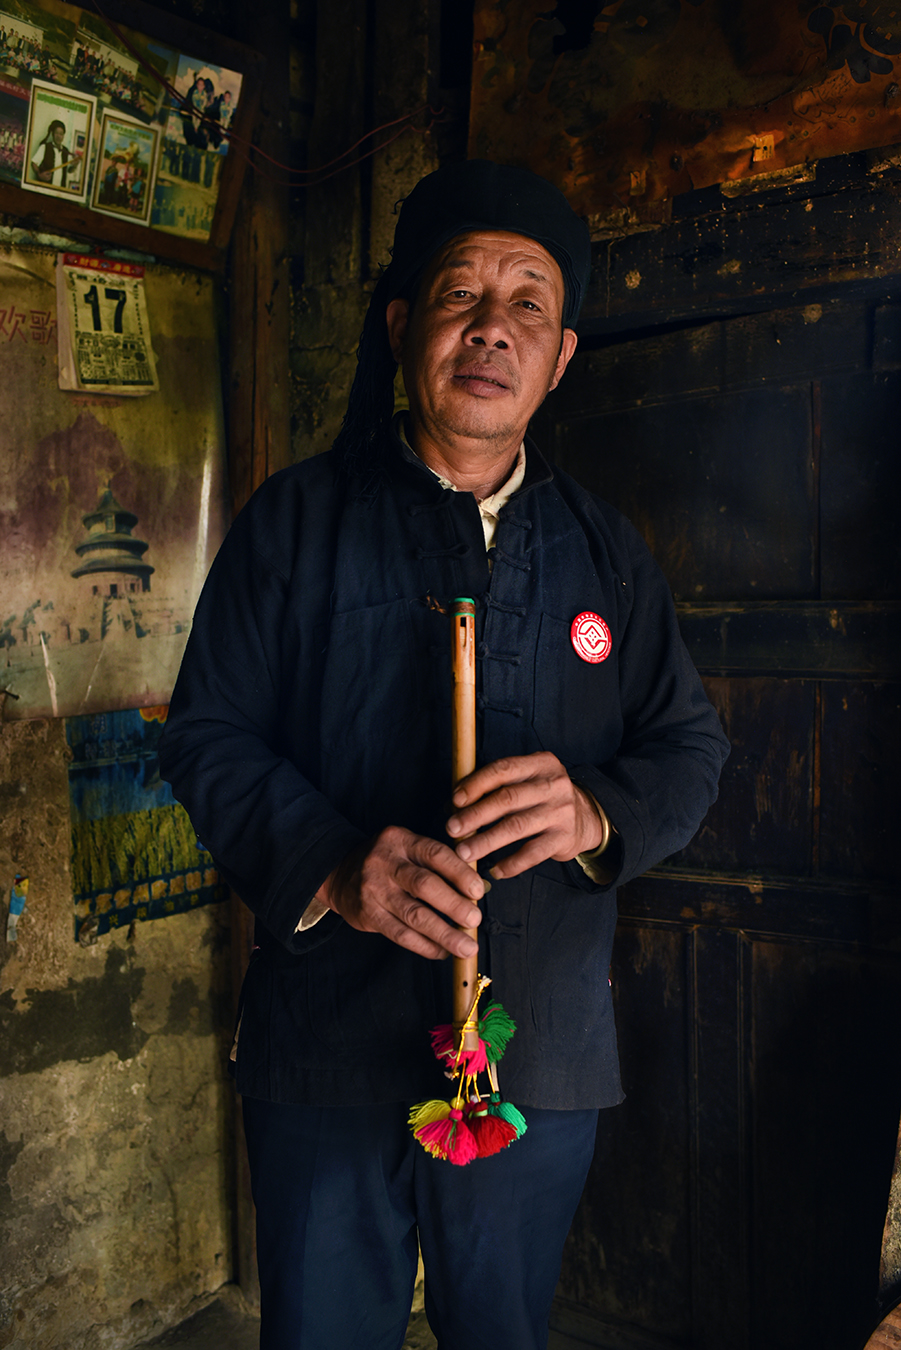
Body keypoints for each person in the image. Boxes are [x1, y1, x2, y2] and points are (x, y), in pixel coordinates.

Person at [159, 159, 729, 1350]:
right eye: (461, 293)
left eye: (529, 303)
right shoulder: (296, 522)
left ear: (561, 356)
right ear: (404, 325)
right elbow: (208, 732)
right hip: (326, 1055)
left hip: (536, 1066)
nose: (492, 328)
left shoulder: (606, 556)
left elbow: (687, 749)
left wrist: (592, 815)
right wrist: (329, 865)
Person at [29, 118, 80, 188]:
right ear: (53, 134)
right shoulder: (45, 147)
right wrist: (39, 175)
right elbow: (34, 163)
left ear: (63, 136)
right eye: (56, 133)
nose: (58, 136)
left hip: (60, 189)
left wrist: (75, 165)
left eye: (61, 134)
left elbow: (69, 170)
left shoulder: (66, 151)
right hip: (45, 188)